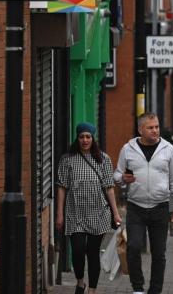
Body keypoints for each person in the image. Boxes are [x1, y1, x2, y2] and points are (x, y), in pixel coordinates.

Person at [115, 113, 173, 294]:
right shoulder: (128, 149)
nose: (155, 130)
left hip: (160, 207)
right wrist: (123, 178)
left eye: (157, 126)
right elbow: (116, 175)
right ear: (140, 130)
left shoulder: (168, 150)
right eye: (150, 127)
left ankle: (155, 290)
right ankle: (138, 288)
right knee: (133, 246)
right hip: (135, 207)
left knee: (159, 253)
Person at [56, 122, 122, 294]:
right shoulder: (67, 159)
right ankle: (80, 282)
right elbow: (62, 187)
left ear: (93, 138)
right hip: (75, 212)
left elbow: (109, 187)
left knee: (93, 253)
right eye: (81, 137)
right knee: (77, 250)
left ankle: (92, 289)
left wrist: (115, 213)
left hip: (98, 212)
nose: (85, 140)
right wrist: (59, 214)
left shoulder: (103, 159)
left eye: (88, 136)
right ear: (77, 138)